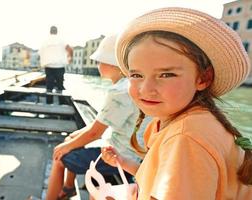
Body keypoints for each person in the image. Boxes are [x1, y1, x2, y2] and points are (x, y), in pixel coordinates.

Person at [101, 7, 252, 200]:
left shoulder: (186, 138)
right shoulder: (184, 121)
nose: (146, 89)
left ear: (203, 78)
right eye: (136, 75)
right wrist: (123, 162)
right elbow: (164, 179)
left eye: (166, 74)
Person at [45, 34, 148, 200]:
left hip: (121, 155)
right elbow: (99, 124)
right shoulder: (127, 86)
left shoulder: (118, 92)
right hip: (131, 152)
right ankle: (69, 187)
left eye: (100, 61)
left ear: (113, 64)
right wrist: (71, 140)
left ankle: (54, 195)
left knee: (59, 156)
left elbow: (95, 133)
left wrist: (65, 147)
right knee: (71, 140)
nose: (97, 64)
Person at [38, 26, 73, 103]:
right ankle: (61, 102)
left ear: (50, 31)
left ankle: (49, 103)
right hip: (59, 66)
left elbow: (40, 53)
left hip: (49, 66)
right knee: (60, 85)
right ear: (57, 31)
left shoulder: (45, 41)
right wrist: (70, 58)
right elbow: (70, 49)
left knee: (49, 86)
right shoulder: (62, 40)